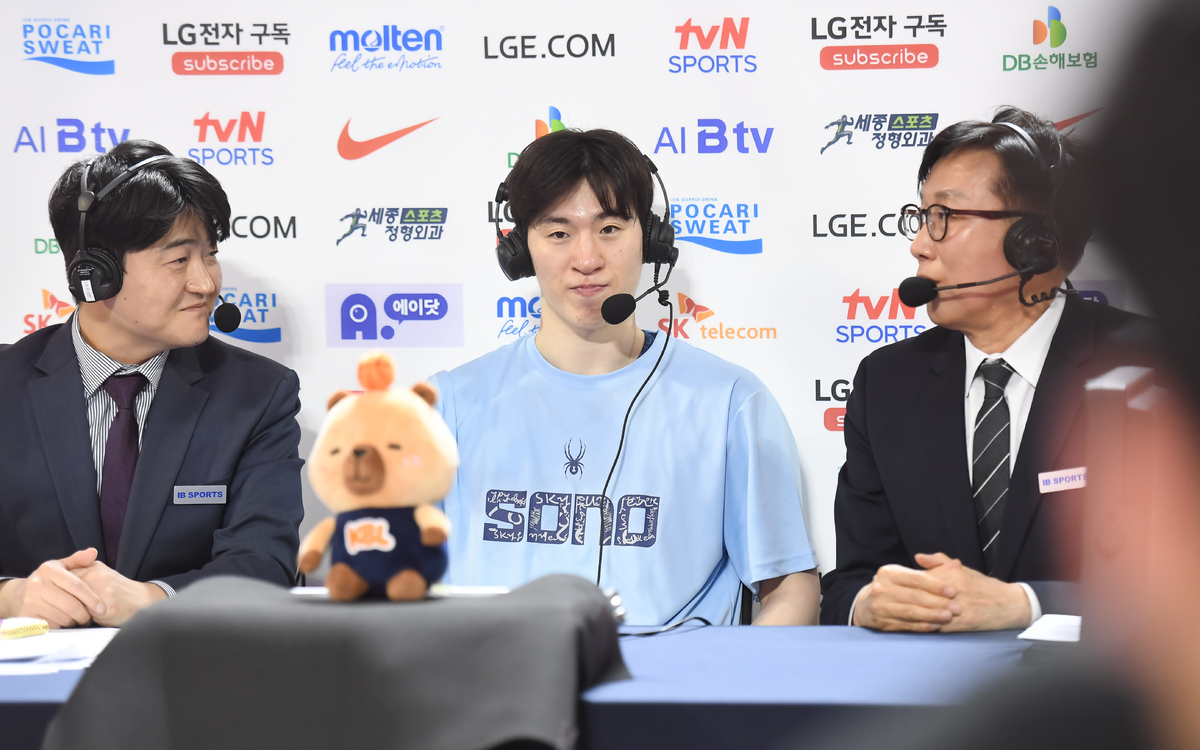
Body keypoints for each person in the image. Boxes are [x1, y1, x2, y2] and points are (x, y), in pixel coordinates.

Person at [429, 129, 818, 626]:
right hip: (498, 672)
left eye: (610, 228)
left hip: (675, 676)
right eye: (559, 233)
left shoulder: (729, 402)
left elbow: (789, 586)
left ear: (651, 240)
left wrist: (729, 675)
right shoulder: (447, 406)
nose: (587, 259)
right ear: (521, 249)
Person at [820, 107, 1151, 631]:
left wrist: (1028, 604)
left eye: (945, 217)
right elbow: (849, 585)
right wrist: (869, 603)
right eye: (922, 216)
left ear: (1033, 242)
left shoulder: (1151, 370)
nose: (919, 245)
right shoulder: (886, 383)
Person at [0, 139, 304, 628]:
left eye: (210, 255)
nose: (206, 283)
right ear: (93, 273)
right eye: (178, 261)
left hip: (189, 668)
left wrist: (154, 599)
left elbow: (264, 563)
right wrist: (9, 597)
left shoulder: (258, 395)